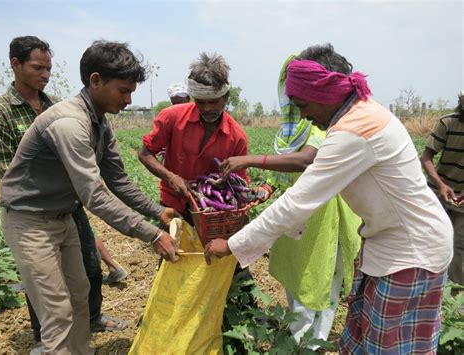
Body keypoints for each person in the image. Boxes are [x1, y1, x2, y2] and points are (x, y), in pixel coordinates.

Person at [205, 43, 453, 354]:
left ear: (323, 94)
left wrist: (231, 245)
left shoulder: (355, 130)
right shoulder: (360, 115)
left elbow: (298, 200)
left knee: (387, 347)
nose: (304, 116)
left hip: (410, 253)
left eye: (303, 104)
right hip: (390, 245)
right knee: (360, 342)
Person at [0, 40, 178, 355]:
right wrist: (152, 234)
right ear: (96, 81)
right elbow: (94, 195)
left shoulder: (100, 121)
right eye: (123, 90)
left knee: (80, 294)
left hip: (62, 215)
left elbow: (117, 178)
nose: (129, 98)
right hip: (30, 221)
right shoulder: (70, 124)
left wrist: (157, 211)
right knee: (56, 313)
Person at [0, 36, 127, 352]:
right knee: (49, 293)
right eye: (38, 67)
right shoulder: (0, 113)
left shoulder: (54, 105)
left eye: (49, 68)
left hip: (68, 202)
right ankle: (49, 340)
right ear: (16, 64)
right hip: (32, 210)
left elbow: (103, 174)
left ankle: (81, 333)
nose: (45, 74)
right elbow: (7, 170)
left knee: (85, 277)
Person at [219, 54, 361, 345]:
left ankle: (312, 342)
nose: (290, 96)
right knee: (298, 274)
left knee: (319, 276)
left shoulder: (321, 122)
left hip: (322, 212)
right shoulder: (294, 127)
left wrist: (250, 160)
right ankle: (300, 333)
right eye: (286, 86)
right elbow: (284, 169)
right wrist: (267, 189)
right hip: (297, 211)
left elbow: (304, 160)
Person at [138, 52, 248, 218]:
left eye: (213, 101)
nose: (207, 108)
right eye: (201, 102)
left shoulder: (237, 137)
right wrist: (171, 177)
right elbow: (145, 154)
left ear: (225, 98)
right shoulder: (171, 117)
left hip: (210, 211)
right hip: (172, 202)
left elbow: (237, 183)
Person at [421, 92, 464, 287]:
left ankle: (455, 296)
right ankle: (426, 288)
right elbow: (426, 157)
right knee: (431, 239)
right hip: (439, 192)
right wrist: (440, 185)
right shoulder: (448, 123)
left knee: (459, 246)